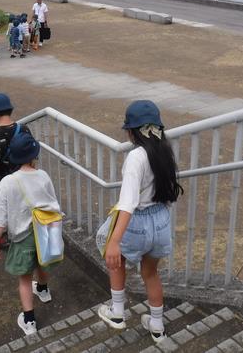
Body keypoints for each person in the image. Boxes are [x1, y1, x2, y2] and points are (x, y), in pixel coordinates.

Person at [97, 101, 183, 344]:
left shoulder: (136, 157)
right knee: (151, 272)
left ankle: (117, 312)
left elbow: (128, 203)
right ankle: (157, 326)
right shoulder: (164, 150)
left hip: (138, 222)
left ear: (132, 131)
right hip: (161, 220)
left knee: (116, 261)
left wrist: (114, 241)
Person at [0, 131, 61, 336]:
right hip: (44, 231)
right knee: (42, 262)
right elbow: (53, 203)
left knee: (25, 279)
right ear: (34, 156)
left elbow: (1, 217)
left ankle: (30, 322)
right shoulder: (43, 175)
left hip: (23, 238)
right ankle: (43, 291)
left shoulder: (8, 182)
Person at [0, 93, 30, 207]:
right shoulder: (24, 129)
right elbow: (30, 157)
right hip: (24, 182)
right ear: (10, 110)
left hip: (2, 185)